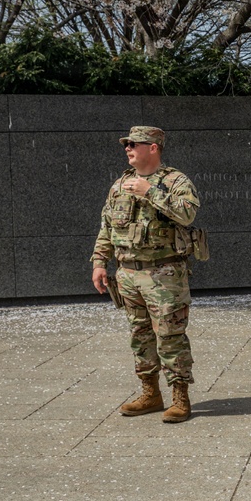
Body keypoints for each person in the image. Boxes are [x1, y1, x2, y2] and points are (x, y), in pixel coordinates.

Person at [91, 126, 201, 423]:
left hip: (164, 273)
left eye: (134, 144)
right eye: (126, 144)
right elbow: (107, 227)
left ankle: (180, 397)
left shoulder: (176, 181)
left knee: (169, 336)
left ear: (153, 147)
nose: (127, 148)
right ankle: (150, 393)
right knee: (140, 336)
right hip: (127, 274)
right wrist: (99, 262)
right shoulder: (119, 185)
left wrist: (150, 192)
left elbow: (187, 213)